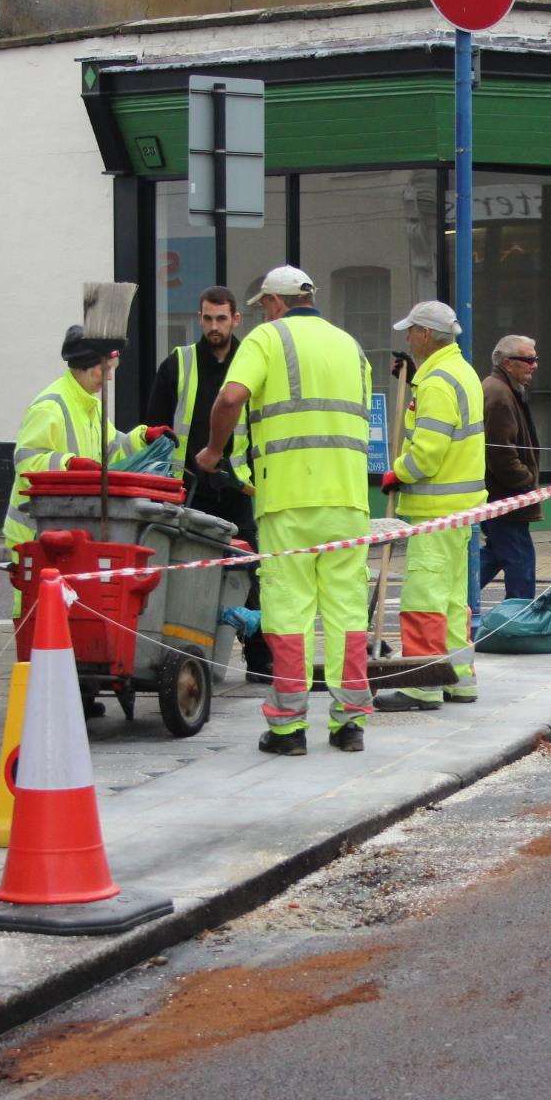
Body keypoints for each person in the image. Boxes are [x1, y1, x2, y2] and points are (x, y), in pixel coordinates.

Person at [199, 266, 374, 755]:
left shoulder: (266, 340)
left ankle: (288, 727)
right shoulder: (351, 346)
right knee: (345, 610)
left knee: (289, 610)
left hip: (287, 504)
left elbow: (231, 397)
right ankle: (349, 724)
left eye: (262, 307)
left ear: (275, 303)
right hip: (347, 500)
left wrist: (213, 452)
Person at [143, 285, 272, 683]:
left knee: (251, 575)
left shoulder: (252, 363)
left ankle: (261, 660)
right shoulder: (178, 364)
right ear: (200, 319)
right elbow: (155, 430)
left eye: (221, 318)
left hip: (237, 490)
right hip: (187, 491)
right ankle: (181, 656)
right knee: (183, 575)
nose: (214, 326)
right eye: (207, 318)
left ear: (236, 319)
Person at [3, 326, 169, 610]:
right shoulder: (50, 406)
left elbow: (113, 449)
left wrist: (143, 437)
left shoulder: (89, 406)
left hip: (64, 527)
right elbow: (26, 459)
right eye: (105, 370)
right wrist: (69, 464)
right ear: (86, 366)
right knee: (37, 612)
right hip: (34, 532)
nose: (109, 377)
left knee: (67, 614)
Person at [375, 301, 486, 713]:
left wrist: (398, 472)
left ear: (425, 334)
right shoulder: (460, 372)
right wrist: (412, 377)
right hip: (459, 510)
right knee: (453, 600)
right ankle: (458, 679)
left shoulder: (437, 382)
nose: (407, 337)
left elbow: (427, 454)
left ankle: (421, 685)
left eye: (411, 332)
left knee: (423, 597)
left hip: (434, 511)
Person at [479, 333, 542, 600]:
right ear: (507, 363)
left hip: (504, 497)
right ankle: (520, 618)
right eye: (528, 359)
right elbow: (500, 452)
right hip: (506, 498)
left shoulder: (505, 389)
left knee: (496, 554)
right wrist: (525, 481)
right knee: (520, 561)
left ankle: (456, 598)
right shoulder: (499, 394)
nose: (534, 364)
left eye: (534, 359)